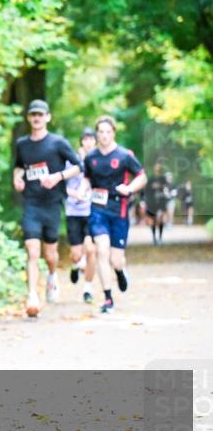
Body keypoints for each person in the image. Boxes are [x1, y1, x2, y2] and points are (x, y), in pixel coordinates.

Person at [12, 100, 83, 317]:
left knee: (49, 254)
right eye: (33, 114)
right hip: (31, 204)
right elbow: (18, 167)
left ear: (48, 118)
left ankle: (52, 276)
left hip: (52, 203)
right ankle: (33, 295)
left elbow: (80, 166)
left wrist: (58, 176)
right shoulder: (22, 144)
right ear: (28, 118)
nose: (36, 118)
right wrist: (18, 179)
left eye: (40, 115)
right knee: (32, 251)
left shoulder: (58, 143)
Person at [83, 115, 147, 313]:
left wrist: (129, 189)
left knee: (115, 259)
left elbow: (142, 176)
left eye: (107, 132)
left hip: (118, 210)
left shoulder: (124, 155)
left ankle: (119, 271)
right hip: (97, 210)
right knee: (101, 250)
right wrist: (82, 191)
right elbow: (86, 179)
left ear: (113, 133)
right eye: (100, 132)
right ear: (96, 134)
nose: (104, 135)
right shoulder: (90, 157)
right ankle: (108, 298)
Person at [66, 127, 97, 303]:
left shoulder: (98, 161)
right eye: (85, 139)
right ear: (81, 142)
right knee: (77, 254)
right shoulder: (71, 162)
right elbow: (63, 185)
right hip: (73, 211)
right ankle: (75, 264)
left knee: (91, 250)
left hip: (92, 211)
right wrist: (75, 194)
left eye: (91, 139)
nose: (88, 143)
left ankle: (88, 289)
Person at [143, 163, 169, 245]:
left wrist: (160, 187)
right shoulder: (151, 179)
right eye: (156, 168)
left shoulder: (163, 179)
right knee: (153, 220)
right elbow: (147, 190)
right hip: (152, 202)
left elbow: (166, 188)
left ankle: (160, 238)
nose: (157, 169)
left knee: (160, 219)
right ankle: (154, 238)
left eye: (159, 168)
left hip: (161, 202)